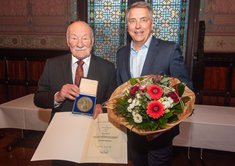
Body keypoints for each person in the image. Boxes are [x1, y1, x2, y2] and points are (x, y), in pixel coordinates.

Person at [116, 2, 193, 166]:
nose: (138, 26)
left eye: (143, 20)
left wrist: (164, 123)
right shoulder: (121, 53)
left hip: (160, 135)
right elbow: (120, 89)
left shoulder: (169, 50)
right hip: (134, 133)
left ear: (151, 23)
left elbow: (186, 90)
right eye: (132, 21)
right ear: (127, 25)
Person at [34, 21, 117, 165]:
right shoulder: (52, 64)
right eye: (74, 38)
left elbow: (113, 101)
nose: (79, 43)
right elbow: (38, 98)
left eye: (85, 38)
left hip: (92, 137)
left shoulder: (107, 68)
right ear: (67, 41)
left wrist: (102, 108)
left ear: (92, 40)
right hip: (61, 137)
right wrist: (58, 95)